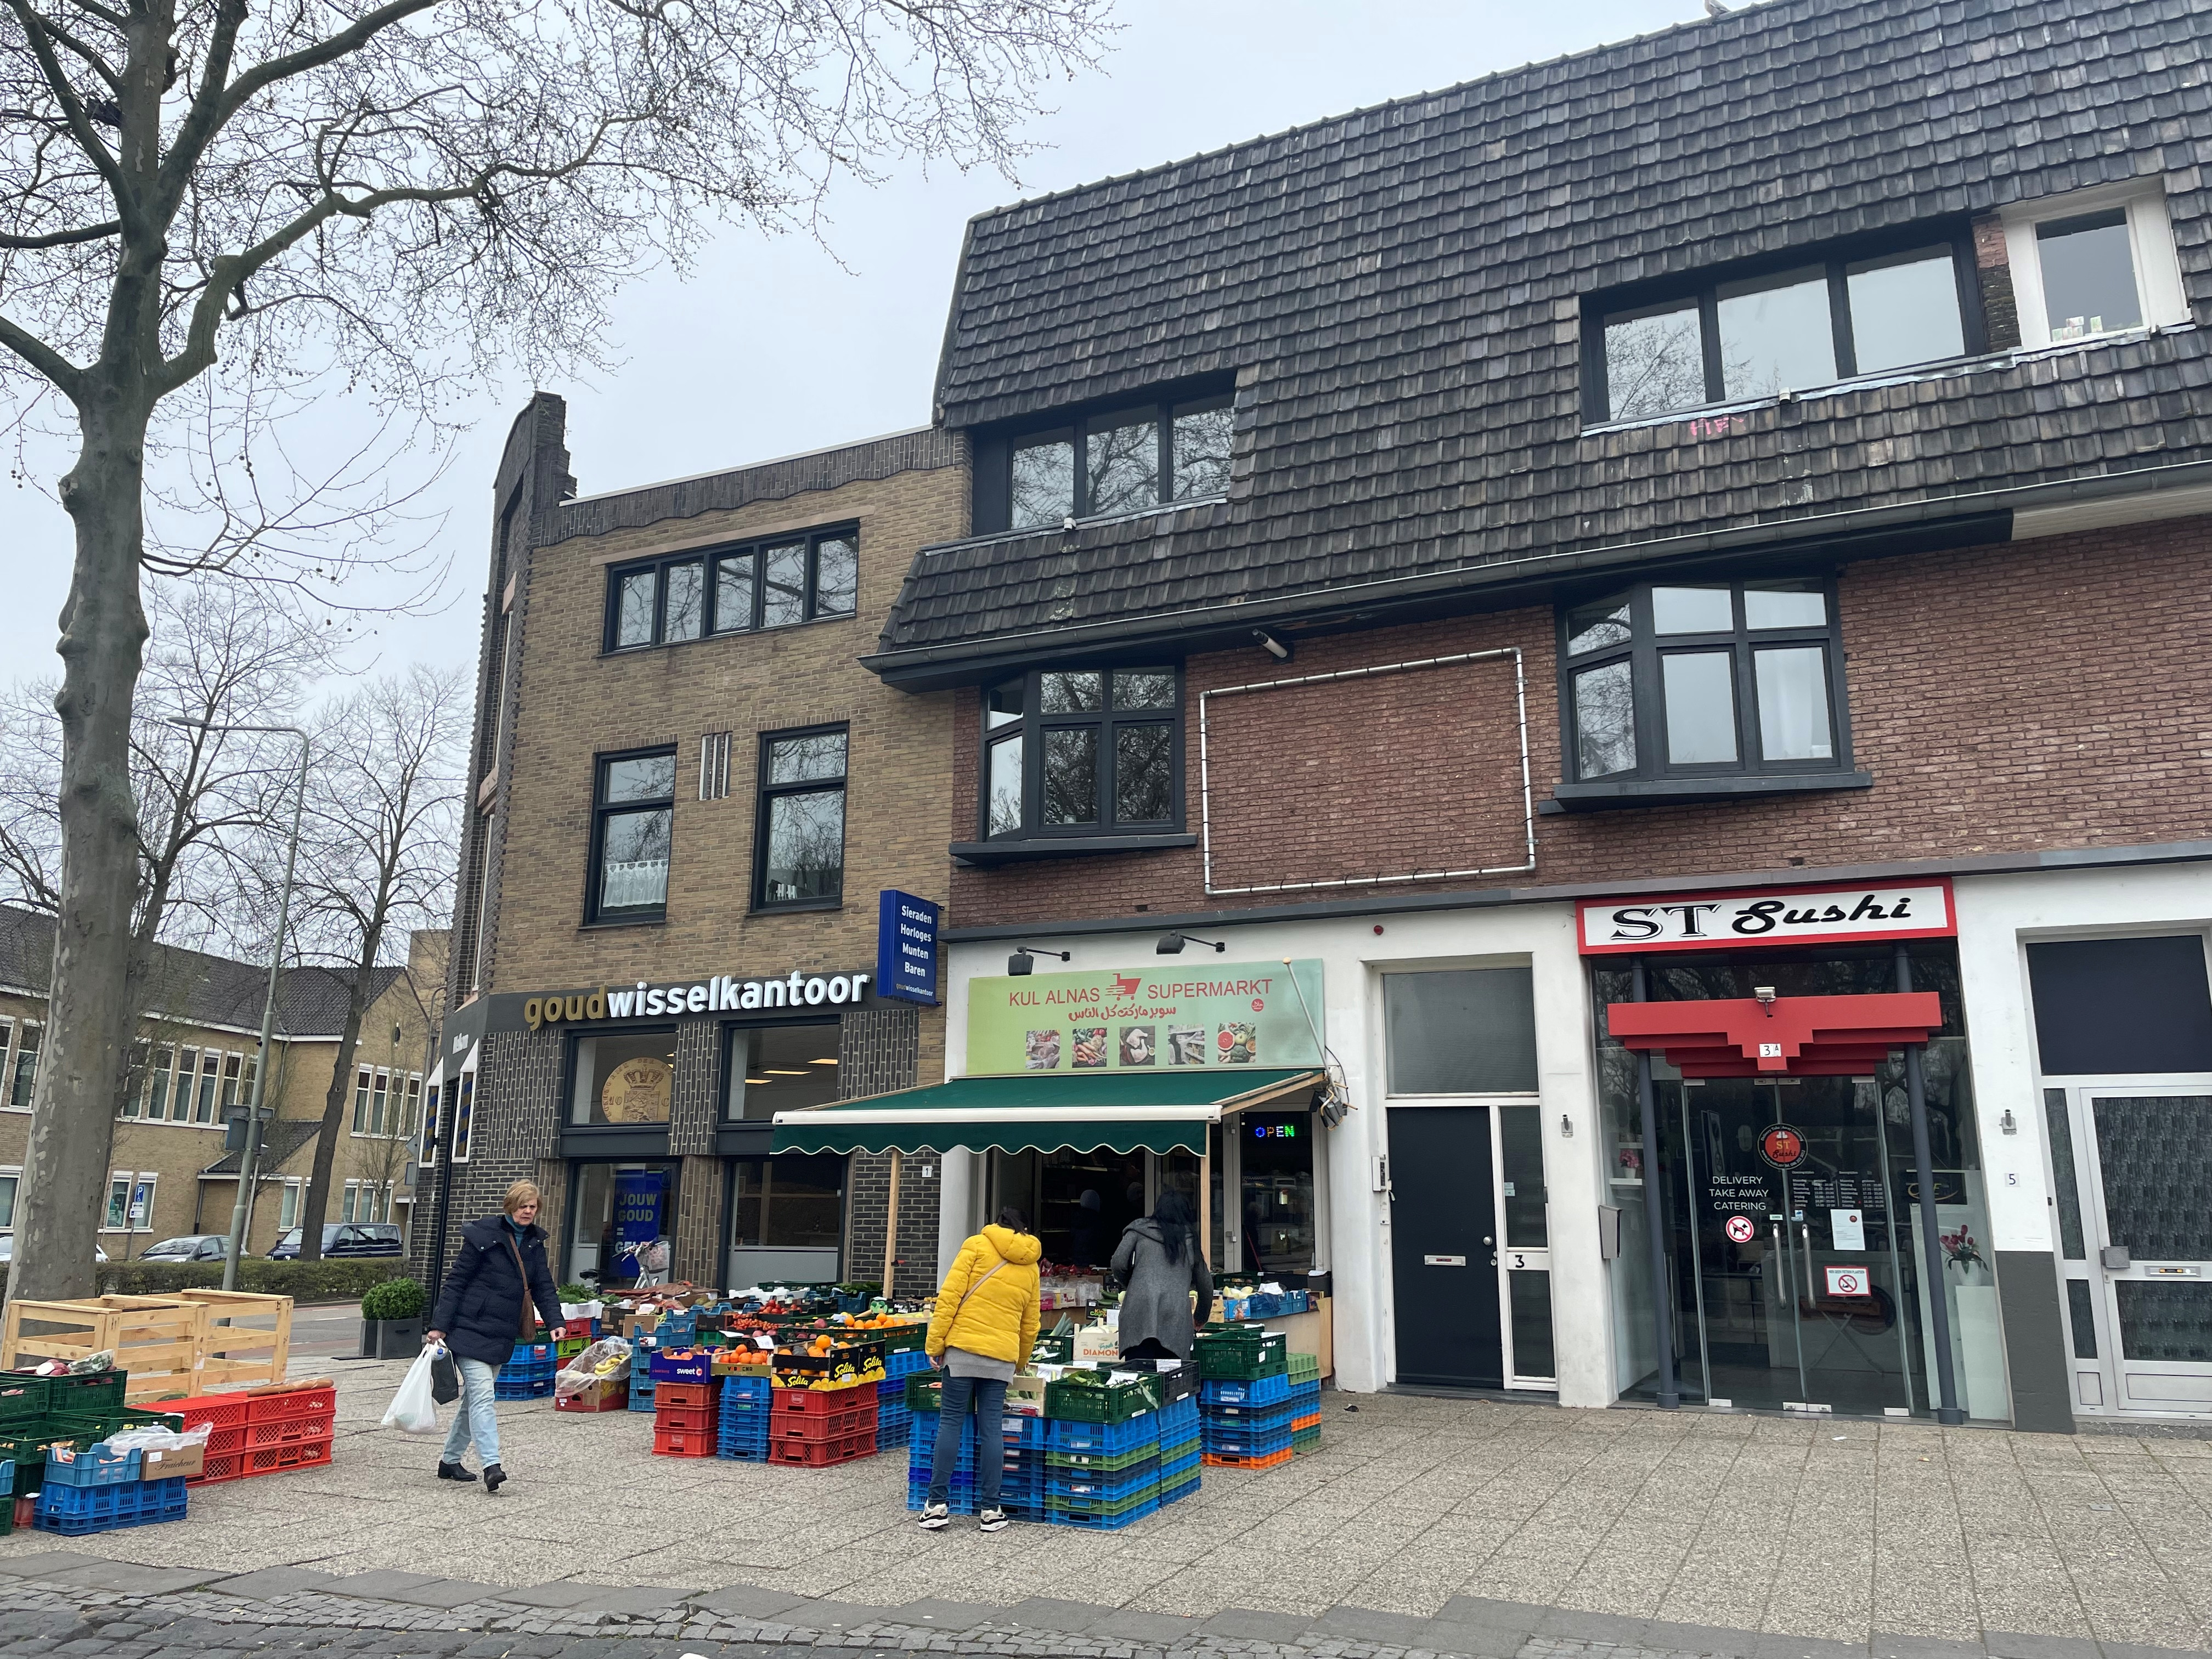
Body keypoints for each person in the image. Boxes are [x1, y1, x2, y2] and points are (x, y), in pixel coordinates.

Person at [426, 1178, 566, 1495]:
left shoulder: (534, 1242)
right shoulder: (483, 1236)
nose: (528, 1212)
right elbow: (456, 1282)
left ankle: (449, 1461)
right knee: (483, 1397)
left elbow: (543, 1286)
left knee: (475, 1400)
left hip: (502, 1333)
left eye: (533, 1207)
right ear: (510, 1206)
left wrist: (555, 1321)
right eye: (523, 1206)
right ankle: (492, 1465)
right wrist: (439, 1326)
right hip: (469, 1329)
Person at [917, 1206, 1042, 1534]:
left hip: (962, 1350)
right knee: (992, 1431)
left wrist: (935, 1345)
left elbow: (949, 1299)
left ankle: (936, 1506)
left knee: (951, 1423)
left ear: (996, 1224)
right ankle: (991, 1510)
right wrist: (1019, 1361)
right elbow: (1031, 1323)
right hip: (1001, 1356)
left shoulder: (975, 1245)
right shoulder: (1030, 1265)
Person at [1111, 1189, 1213, 1361]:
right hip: (1175, 1315)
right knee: (1171, 1374)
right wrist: (1201, 1317)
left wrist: (1132, 1285)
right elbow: (1206, 1285)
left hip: (1138, 1311)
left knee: (1138, 1372)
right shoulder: (1190, 1238)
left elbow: (1118, 1263)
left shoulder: (1138, 1229)